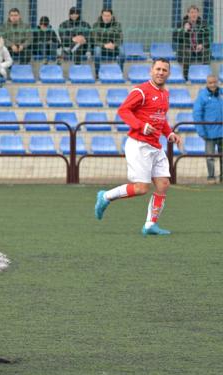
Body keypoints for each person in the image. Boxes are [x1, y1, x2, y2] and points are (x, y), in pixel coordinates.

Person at [95, 58, 181, 236]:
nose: (160, 72)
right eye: (157, 69)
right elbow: (123, 110)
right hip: (139, 144)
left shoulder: (165, 94)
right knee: (142, 188)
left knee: (163, 184)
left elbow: (161, 118)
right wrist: (141, 126)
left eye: (164, 70)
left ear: (168, 73)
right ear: (151, 71)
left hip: (155, 146)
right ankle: (105, 196)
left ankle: (150, 225)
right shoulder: (141, 90)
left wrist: (169, 133)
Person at [193, 74, 223, 183]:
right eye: (210, 83)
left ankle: (222, 177)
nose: (213, 85)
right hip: (209, 133)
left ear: (218, 82)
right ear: (207, 83)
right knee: (210, 156)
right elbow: (197, 114)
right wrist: (201, 131)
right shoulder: (202, 96)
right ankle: (211, 177)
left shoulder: (221, 93)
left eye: (215, 82)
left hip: (222, 133)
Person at [174, 5, 211, 81]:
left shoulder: (203, 24)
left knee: (206, 52)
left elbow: (207, 39)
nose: (193, 14)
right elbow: (175, 38)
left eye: (195, 12)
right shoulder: (181, 23)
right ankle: (186, 77)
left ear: (198, 14)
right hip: (186, 48)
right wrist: (184, 30)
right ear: (188, 14)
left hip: (199, 48)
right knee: (187, 52)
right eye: (191, 12)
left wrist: (202, 45)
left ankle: (205, 75)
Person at [91, 8, 123, 79]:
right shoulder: (96, 25)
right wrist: (104, 45)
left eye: (108, 15)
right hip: (101, 47)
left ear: (111, 16)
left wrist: (114, 45)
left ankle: (120, 72)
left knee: (122, 52)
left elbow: (120, 38)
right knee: (97, 51)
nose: (106, 17)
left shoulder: (117, 25)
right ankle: (97, 73)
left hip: (113, 47)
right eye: (104, 15)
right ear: (101, 16)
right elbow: (95, 40)